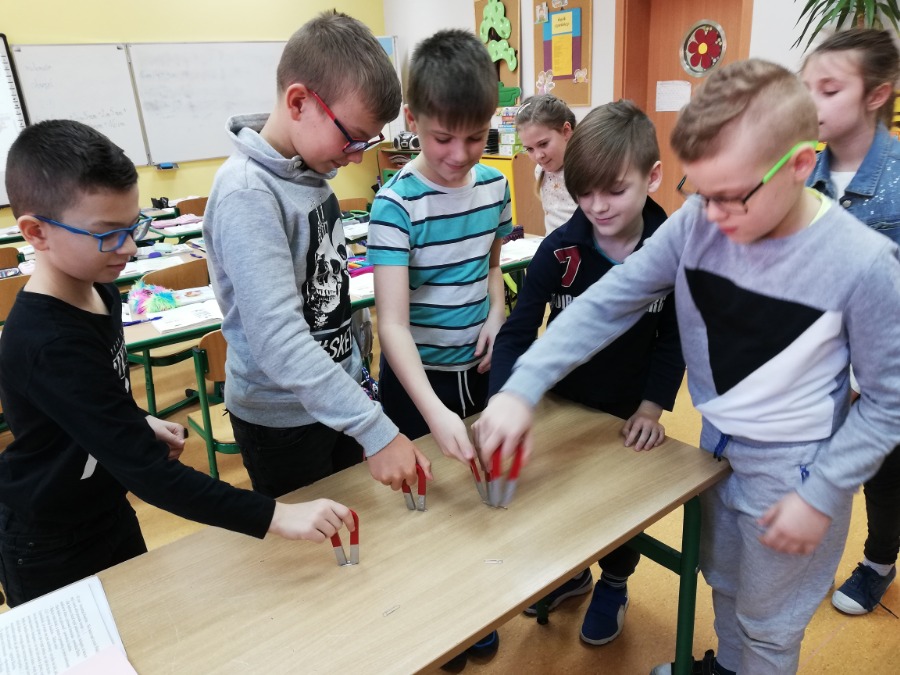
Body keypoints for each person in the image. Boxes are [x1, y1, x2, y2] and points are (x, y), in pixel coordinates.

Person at [473, 59, 900, 674]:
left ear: (801, 165)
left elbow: (888, 401)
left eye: (733, 196)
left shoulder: (863, 263)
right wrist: (523, 387)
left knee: (770, 626)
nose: (713, 216)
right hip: (719, 446)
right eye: (700, 192)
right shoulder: (701, 221)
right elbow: (609, 301)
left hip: (797, 469)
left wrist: (823, 490)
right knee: (725, 583)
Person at [0, 120, 357, 609]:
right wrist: (277, 515)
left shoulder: (100, 289)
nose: (129, 248)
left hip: (106, 506)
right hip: (46, 538)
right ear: (36, 232)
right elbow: (153, 477)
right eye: (107, 234)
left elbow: (94, 397)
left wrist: (137, 420)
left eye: (133, 227)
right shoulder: (47, 342)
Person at [203, 11, 430, 500]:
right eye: (352, 137)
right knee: (317, 540)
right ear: (299, 102)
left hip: (335, 403)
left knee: (358, 523)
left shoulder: (312, 175)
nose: (357, 155)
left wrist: (361, 393)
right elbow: (280, 341)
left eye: (368, 141)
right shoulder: (248, 192)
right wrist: (374, 428)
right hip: (283, 423)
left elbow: (330, 311)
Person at [490, 100, 684, 646]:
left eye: (615, 191)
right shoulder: (560, 251)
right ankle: (573, 575)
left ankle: (614, 583)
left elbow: (674, 338)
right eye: (583, 193)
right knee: (561, 505)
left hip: (628, 410)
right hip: (565, 402)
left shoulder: (670, 250)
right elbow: (517, 333)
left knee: (620, 514)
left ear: (653, 177)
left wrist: (652, 407)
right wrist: (506, 399)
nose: (597, 207)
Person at [366, 28, 513, 664]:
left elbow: (492, 266)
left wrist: (497, 311)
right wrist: (432, 410)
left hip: (475, 370)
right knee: (423, 505)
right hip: (415, 382)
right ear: (412, 120)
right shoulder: (395, 205)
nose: (458, 154)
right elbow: (391, 325)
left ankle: (477, 607)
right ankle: (438, 621)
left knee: (477, 499)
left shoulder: (495, 187)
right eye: (442, 138)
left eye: (475, 138)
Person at [802, 27, 900, 616]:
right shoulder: (802, 172)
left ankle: (879, 562)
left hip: (882, 368)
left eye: (829, 89)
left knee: (882, 473)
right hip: (818, 364)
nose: (809, 102)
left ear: (875, 95)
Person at [515, 94, 578, 234]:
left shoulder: (586, 171)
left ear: (566, 131)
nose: (538, 156)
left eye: (543, 144)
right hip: (554, 246)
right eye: (529, 149)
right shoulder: (540, 171)